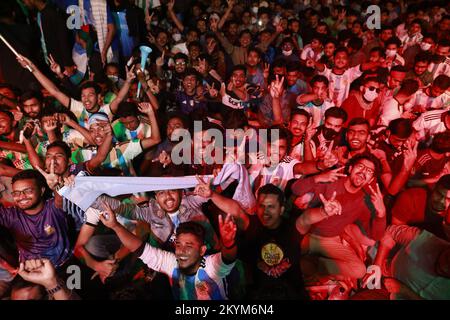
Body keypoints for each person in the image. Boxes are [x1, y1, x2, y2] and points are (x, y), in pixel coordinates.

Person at [99, 202, 239, 300]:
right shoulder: (171, 263)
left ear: (202, 250)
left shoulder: (210, 267)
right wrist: (115, 226)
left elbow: (227, 258)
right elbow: (140, 248)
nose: (182, 251)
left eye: (189, 246)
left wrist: (228, 243)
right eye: (178, 244)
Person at [292, 153, 386, 280]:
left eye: (369, 171)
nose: (363, 172)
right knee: (288, 256)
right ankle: (305, 262)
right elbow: (295, 190)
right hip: (307, 234)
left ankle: (315, 264)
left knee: (359, 270)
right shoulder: (331, 179)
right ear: (350, 168)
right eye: (360, 167)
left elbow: (375, 235)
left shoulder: (365, 201)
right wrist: (318, 178)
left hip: (330, 240)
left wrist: (381, 213)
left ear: (370, 179)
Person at [238, 184, 308, 300]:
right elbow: (234, 210)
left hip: (291, 292)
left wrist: (324, 212)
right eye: (261, 206)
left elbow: (307, 218)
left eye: (271, 206)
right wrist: (211, 195)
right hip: (261, 294)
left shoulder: (291, 228)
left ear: (281, 210)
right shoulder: (252, 227)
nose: (265, 211)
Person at [365, 224, 450, 299]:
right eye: (445, 258)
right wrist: (377, 265)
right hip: (383, 278)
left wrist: (404, 290)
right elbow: (391, 232)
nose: (444, 267)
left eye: (447, 272)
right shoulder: (425, 241)